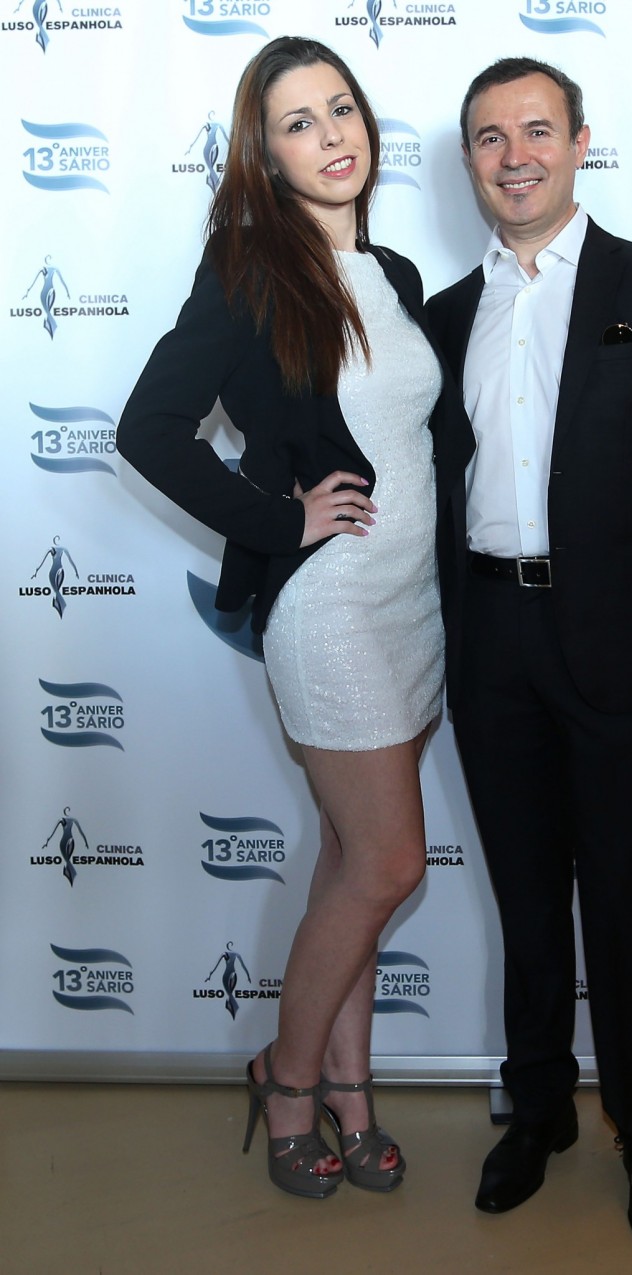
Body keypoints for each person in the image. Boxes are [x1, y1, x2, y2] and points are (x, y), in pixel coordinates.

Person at [117, 36, 473, 1201]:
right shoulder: (249, 269)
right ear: (265, 156)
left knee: (350, 865)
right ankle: (284, 1081)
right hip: (330, 609)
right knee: (390, 863)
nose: (331, 137)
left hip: (414, 606)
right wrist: (279, 519)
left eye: (340, 109)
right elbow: (149, 428)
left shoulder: (396, 274)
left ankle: (349, 1091)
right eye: (297, 123)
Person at [426, 57, 632, 1255]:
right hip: (488, 637)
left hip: (618, 645)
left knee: (620, 897)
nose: (514, 156)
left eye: (535, 131)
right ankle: (540, 1109)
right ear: (470, 159)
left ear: (578, 141)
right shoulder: (441, 316)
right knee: (523, 896)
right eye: (489, 137)